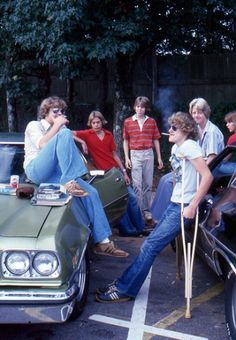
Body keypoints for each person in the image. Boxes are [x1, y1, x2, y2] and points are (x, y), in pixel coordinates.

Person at [95, 111, 213, 303]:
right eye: (170, 127)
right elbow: (181, 177)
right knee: (150, 244)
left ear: (186, 129)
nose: (169, 130)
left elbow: (207, 176)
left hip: (184, 207)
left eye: (174, 127)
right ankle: (123, 283)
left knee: (150, 246)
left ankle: (125, 290)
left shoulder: (190, 146)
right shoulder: (178, 148)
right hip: (176, 204)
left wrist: (193, 205)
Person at [23, 96, 128, 258]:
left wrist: (80, 140)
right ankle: (69, 180)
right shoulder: (34, 125)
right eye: (55, 111)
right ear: (45, 112)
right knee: (64, 132)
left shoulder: (60, 132)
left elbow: (69, 139)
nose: (59, 114)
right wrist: (58, 125)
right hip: (36, 170)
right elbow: (42, 144)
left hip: (55, 174)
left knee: (91, 192)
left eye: (61, 111)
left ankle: (103, 242)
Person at [73, 110, 147, 237]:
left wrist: (124, 171)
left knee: (132, 198)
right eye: (94, 122)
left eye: (98, 122)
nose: (96, 125)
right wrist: (82, 142)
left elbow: (114, 154)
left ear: (102, 122)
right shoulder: (87, 134)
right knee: (119, 199)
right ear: (90, 124)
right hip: (105, 175)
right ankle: (127, 230)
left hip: (115, 171)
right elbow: (66, 133)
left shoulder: (108, 135)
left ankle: (140, 227)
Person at [151, 97, 224, 222]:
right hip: (198, 164)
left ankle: (169, 217)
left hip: (211, 168)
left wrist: (196, 173)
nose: (196, 115)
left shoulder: (211, 131)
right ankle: (158, 217)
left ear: (205, 113)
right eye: (194, 112)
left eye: (199, 112)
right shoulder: (198, 129)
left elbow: (212, 158)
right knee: (165, 179)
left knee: (169, 182)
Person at [123, 96, 163, 223]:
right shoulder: (128, 122)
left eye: (143, 107)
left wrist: (159, 157)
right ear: (135, 107)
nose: (140, 109)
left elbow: (156, 139)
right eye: (138, 106)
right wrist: (126, 157)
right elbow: (125, 140)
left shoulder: (151, 122)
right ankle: (138, 211)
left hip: (148, 154)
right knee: (137, 185)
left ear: (146, 108)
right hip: (135, 154)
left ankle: (146, 210)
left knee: (147, 184)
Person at [213, 110, 236, 176]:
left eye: (230, 122)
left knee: (216, 166)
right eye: (227, 122)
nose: (227, 125)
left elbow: (224, 159)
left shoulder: (233, 138)